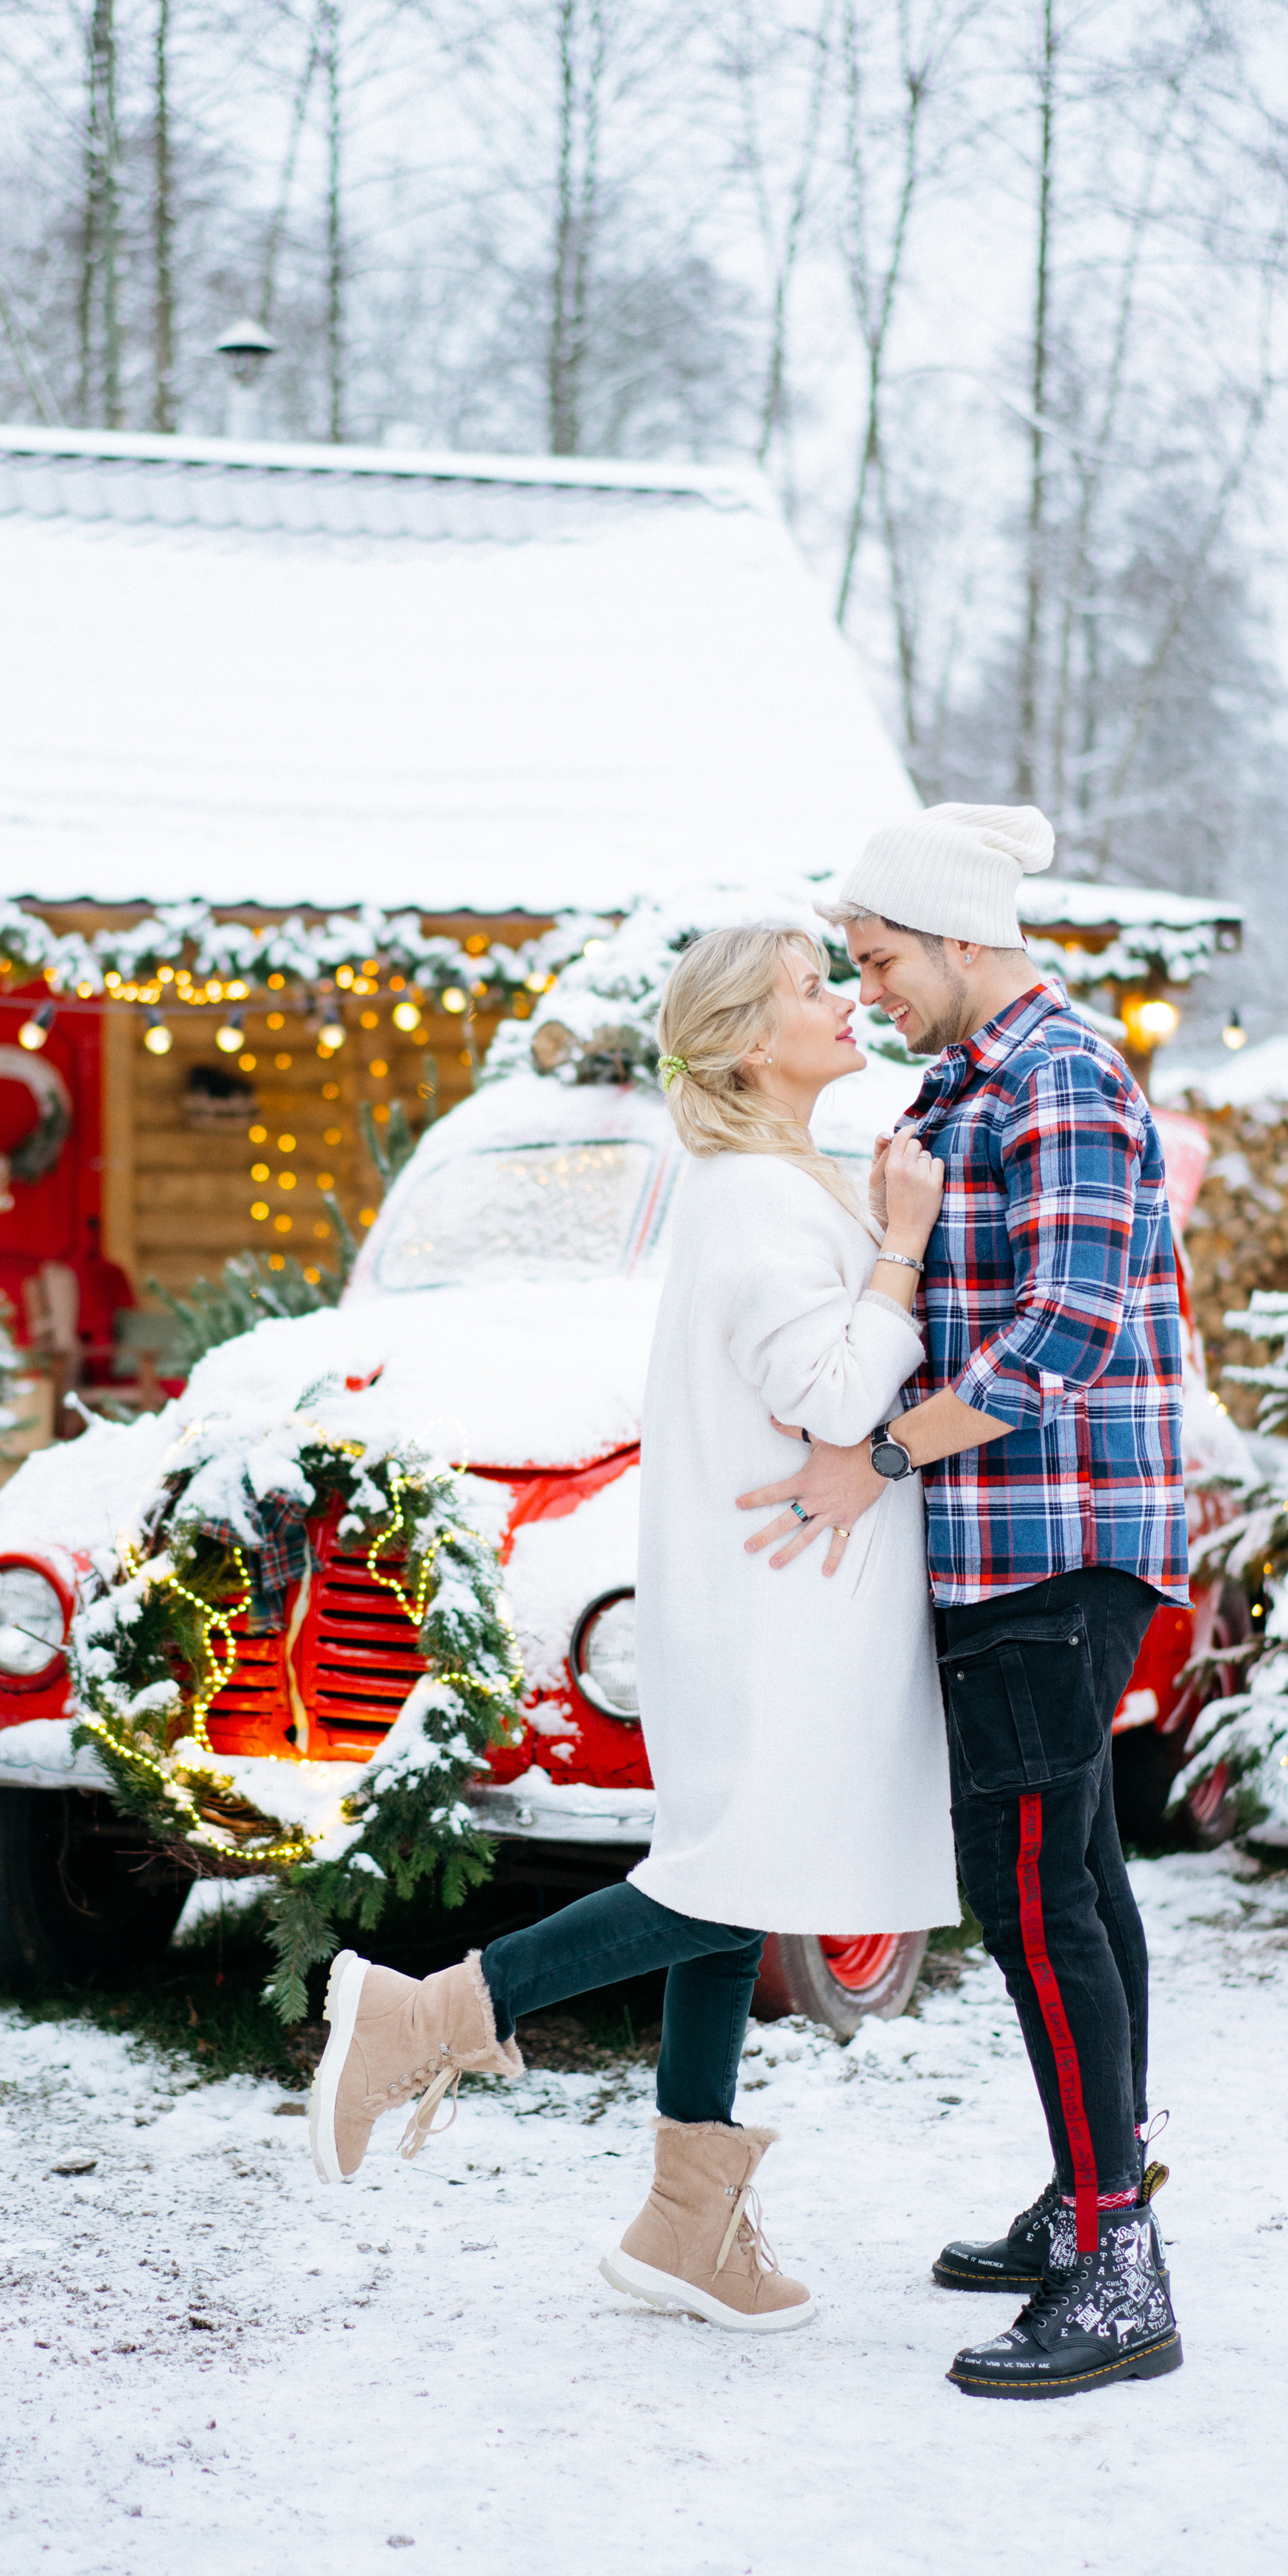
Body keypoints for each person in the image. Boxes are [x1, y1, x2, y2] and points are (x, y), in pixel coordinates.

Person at [307, 923, 959, 2333]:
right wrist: (902, 1243)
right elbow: (842, 1398)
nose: (842, 1000)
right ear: (741, 1043)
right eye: (807, 987)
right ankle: (428, 2018)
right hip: (774, 1611)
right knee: (722, 1881)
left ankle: (687, 2225)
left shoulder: (772, 1182)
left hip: (775, 1598)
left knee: (732, 1888)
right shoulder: (751, 1204)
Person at [739, 803, 1188, 2400]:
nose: (868, 992)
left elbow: (1063, 1325)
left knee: (1026, 1897)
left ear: (955, 935)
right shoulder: (973, 1081)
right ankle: (1096, 2191)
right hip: (1013, 1543)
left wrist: (880, 1449)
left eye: (877, 960)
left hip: (1048, 1543)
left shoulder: (1059, 1074)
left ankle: (1118, 2263)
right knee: (1070, 1869)